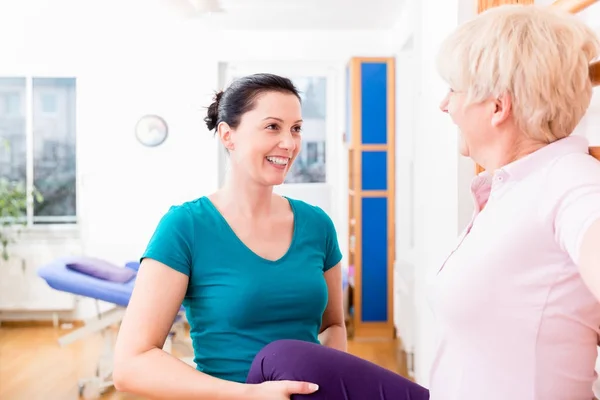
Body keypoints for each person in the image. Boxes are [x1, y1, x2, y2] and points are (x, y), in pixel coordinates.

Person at [241, 4, 600, 400]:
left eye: (454, 90)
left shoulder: (570, 178)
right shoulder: (507, 188)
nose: (444, 104)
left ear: (498, 106)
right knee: (283, 361)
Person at [113, 73, 348, 399]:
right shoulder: (186, 226)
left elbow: (333, 326)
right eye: (272, 127)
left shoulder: (317, 224)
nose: (290, 143)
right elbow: (130, 366)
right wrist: (249, 395)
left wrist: (330, 382)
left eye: (296, 129)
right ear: (228, 135)